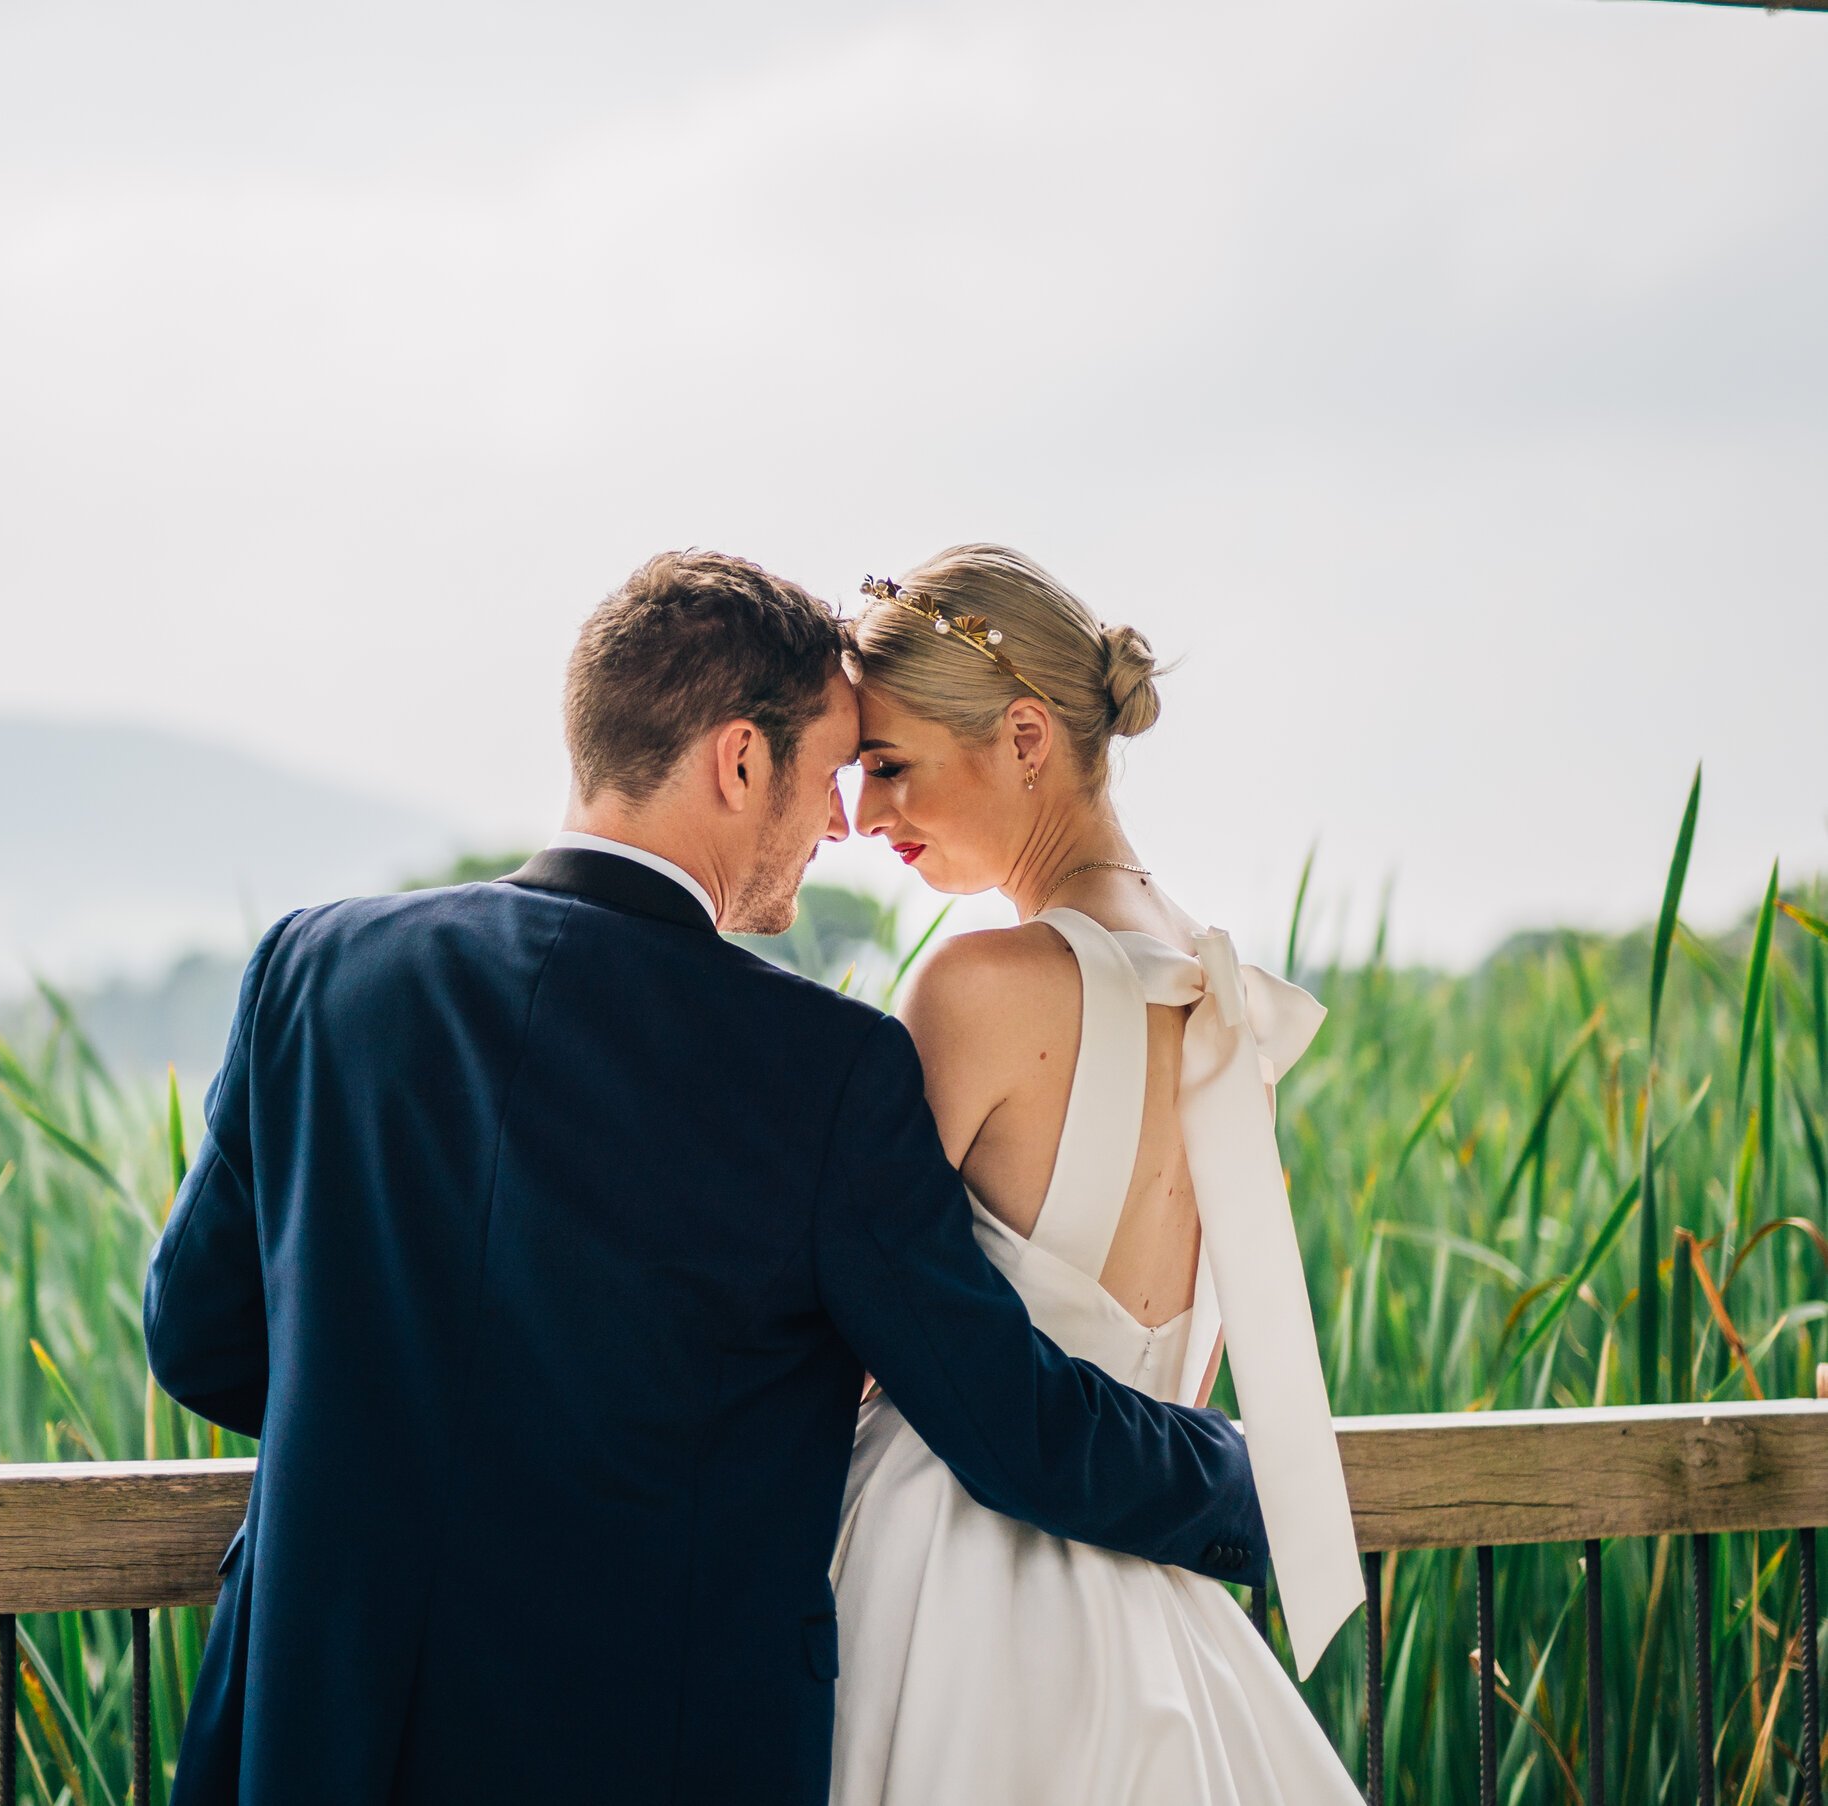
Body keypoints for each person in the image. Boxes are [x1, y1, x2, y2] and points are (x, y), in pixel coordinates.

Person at [142, 549, 1266, 1806]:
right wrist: (1263, 1490)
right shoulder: (825, 1068)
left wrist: (400, 1434)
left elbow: (199, 1341)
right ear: (740, 762)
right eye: (832, 773)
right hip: (645, 1739)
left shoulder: (316, 970)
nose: (843, 824)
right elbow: (1005, 1416)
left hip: (319, 1717)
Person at [830, 544, 1360, 1805]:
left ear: (1024, 737)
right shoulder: (1221, 996)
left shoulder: (976, 988)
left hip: (943, 1578)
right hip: (1153, 1595)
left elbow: (852, 1324)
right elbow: (1201, 1357)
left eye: (890, 765)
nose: (863, 817)